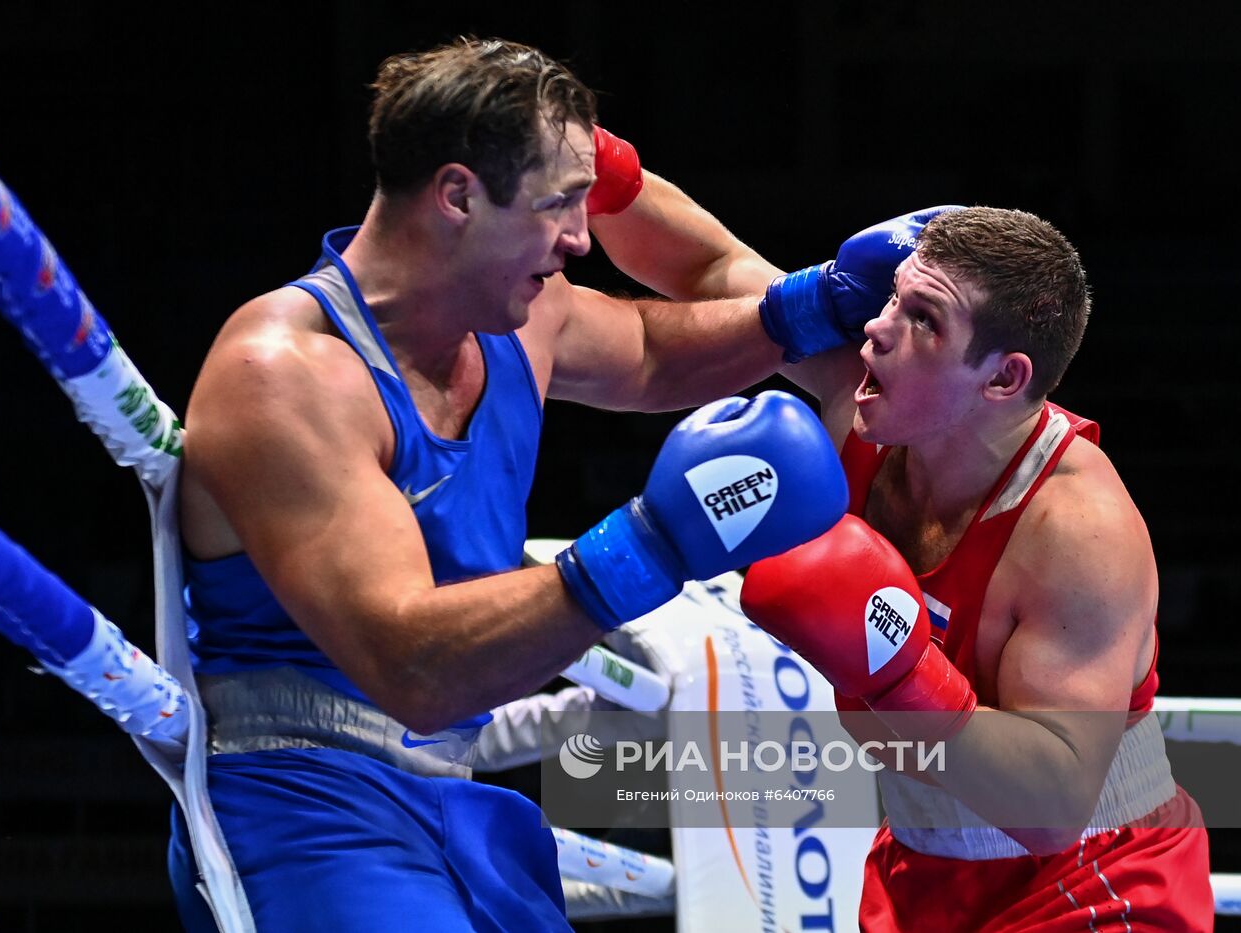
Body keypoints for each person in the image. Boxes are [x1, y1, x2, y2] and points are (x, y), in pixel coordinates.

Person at [165, 37, 926, 931]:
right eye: (559, 204)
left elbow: (649, 353)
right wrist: (653, 543)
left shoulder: (516, 321)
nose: (578, 236)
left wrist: (821, 302)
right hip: (306, 797)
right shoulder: (288, 372)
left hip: (450, 796)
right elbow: (411, 664)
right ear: (456, 196)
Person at [739, 207, 1214, 930]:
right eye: (893, 296)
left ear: (1003, 378)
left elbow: (1052, 807)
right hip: (919, 866)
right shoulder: (867, 414)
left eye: (924, 318)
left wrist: (897, 672)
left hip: (1092, 877)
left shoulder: (1076, 529)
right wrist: (609, 177)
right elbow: (716, 279)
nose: (876, 326)